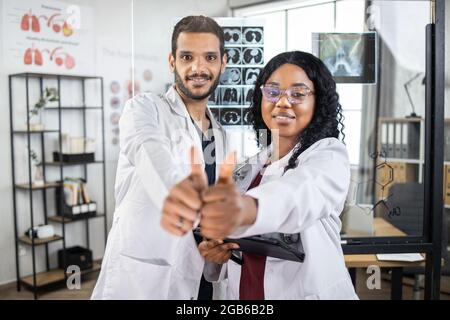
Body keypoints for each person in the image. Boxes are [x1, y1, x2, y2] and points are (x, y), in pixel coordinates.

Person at [196, 51, 359, 299]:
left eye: (298, 94)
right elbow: (241, 251)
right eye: (273, 92)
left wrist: (245, 209)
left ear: (318, 102)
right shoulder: (250, 169)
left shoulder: (329, 156)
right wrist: (218, 256)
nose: (282, 102)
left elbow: (299, 194)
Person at [91, 15, 229, 299]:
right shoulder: (143, 110)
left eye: (210, 57)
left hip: (200, 275)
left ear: (223, 63)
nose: (198, 68)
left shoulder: (220, 134)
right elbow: (155, 164)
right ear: (172, 61)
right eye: (187, 56)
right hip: (145, 278)